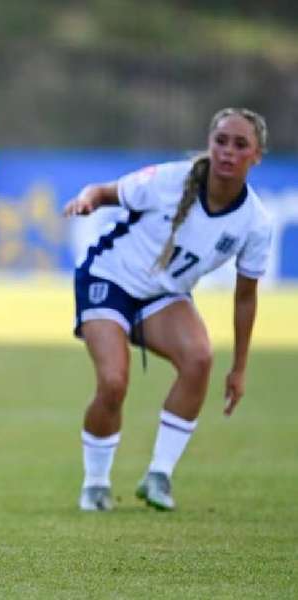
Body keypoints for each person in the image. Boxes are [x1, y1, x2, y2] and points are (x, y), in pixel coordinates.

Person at [63, 108, 272, 512]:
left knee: (199, 358)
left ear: (257, 155)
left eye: (240, 144)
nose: (228, 151)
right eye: (221, 141)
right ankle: (95, 483)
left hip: (163, 296)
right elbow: (103, 191)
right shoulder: (169, 180)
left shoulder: (256, 223)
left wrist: (240, 368)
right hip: (109, 278)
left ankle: (159, 475)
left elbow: (246, 296)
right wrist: (87, 200)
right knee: (113, 382)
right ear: (210, 144)